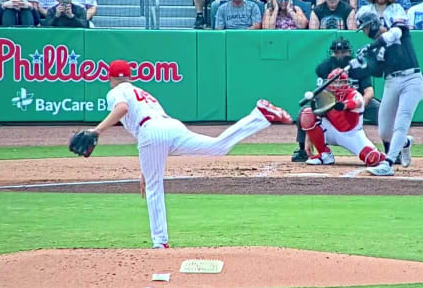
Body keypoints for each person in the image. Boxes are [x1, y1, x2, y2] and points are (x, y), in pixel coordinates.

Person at [86, 59, 293, 249]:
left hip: (150, 131)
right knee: (217, 147)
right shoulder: (140, 91)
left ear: (110, 78)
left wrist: (96, 130)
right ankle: (258, 116)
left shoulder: (115, 92)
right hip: (171, 126)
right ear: (130, 76)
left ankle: (160, 242)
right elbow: (155, 136)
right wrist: (145, 171)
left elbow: (122, 108)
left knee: (154, 188)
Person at [356, 12, 423, 176]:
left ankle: (388, 163)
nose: (365, 32)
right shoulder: (375, 47)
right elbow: (378, 71)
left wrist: (372, 47)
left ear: (373, 23)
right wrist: (363, 63)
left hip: (412, 79)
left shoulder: (396, 29)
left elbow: (395, 33)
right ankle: (405, 142)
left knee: (402, 118)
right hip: (392, 82)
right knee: (385, 131)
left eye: (365, 27)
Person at [291, 37, 382, 162]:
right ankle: (302, 150)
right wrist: (309, 136)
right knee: (305, 113)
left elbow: (369, 92)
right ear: (332, 53)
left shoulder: (358, 66)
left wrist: (358, 109)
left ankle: (394, 149)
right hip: (331, 103)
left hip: (355, 100)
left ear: (349, 52)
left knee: (382, 112)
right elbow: (320, 96)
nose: (340, 55)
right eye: (336, 52)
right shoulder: (325, 67)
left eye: (343, 52)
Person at [300, 68, 387, 167]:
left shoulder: (354, 94)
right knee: (307, 114)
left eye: (341, 82)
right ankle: (324, 155)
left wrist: (344, 105)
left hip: (352, 135)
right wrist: (309, 138)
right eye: (335, 82)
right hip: (331, 131)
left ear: (347, 83)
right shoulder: (325, 95)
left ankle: (383, 154)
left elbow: (357, 103)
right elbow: (316, 116)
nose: (337, 85)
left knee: (372, 159)